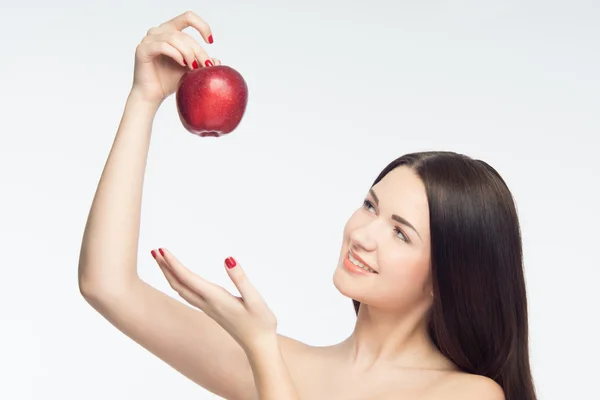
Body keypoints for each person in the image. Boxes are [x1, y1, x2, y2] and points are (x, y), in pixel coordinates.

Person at [77, 10, 537, 400]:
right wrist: (145, 98)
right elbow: (107, 285)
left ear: (447, 277)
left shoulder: (468, 394)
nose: (361, 234)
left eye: (401, 232)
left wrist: (260, 348)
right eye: (370, 206)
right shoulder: (290, 363)